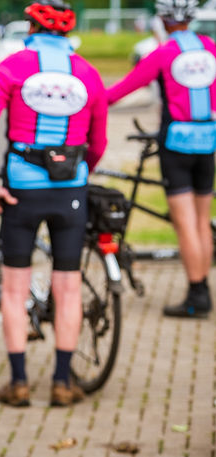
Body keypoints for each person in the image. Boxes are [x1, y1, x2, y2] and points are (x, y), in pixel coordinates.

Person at [0, 0, 108, 406]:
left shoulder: (10, 68)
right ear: (67, 33)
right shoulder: (88, 73)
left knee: (14, 289)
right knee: (68, 288)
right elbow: (98, 143)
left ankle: (19, 384)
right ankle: (63, 383)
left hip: (21, 191)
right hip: (71, 191)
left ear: (31, 27)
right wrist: (82, 173)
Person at [107, 0, 215, 319]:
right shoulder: (209, 47)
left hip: (176, 146)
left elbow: (123, 89)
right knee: (202, 221)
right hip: (207, 142)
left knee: (185, 225)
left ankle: (197, 294)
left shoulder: (164, 53)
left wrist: (92, 101)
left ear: (164, 19)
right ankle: (203, 286)